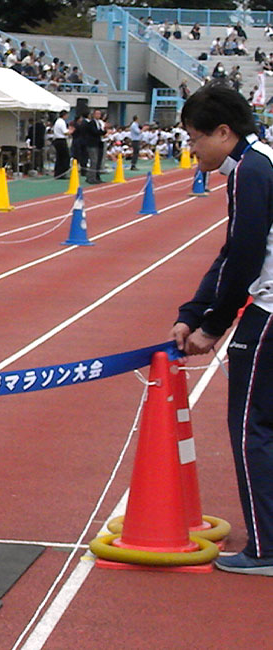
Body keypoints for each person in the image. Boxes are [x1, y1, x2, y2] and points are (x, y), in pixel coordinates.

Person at [171, 82, 273, 575]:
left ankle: (266, 546)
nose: (191, 148)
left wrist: (212, 325)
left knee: (252, 428)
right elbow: (231, 251)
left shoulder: (251, 172)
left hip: (270, 313)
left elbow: (245, 256)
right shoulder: (260, 160)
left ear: (224, 132)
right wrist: (195, 311)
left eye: (194, 137)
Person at [52, 109, 70, 178]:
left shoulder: (57, 121)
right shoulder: (61, 122)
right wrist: (71, 131)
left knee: (59, 157)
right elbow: (65, 132)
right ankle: (62, 173)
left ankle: (58, 173)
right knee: (65, 157)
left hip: (57, 140)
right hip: (61, 140)